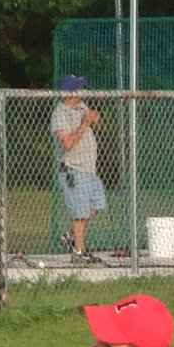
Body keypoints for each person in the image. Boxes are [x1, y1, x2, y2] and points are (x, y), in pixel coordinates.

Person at [50, 74, 107, 264]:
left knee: (97, 204)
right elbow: (67, 144)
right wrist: (84, 124)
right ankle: (79, 252)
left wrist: (95, 119)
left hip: (89, 169)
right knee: (80, 212)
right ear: (70, 92)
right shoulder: (61, 113)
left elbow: (96, 123)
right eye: (79, 88)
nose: (83, 91)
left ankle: (70, 236)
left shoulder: (81, 106)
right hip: (73, 169)